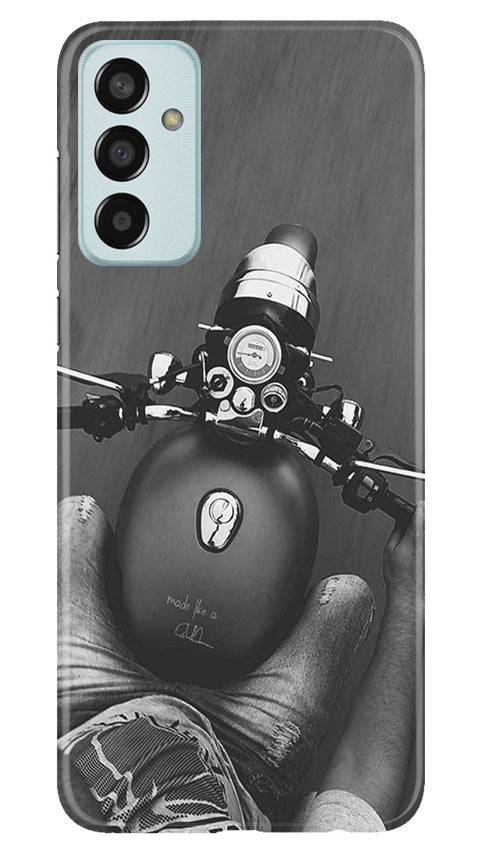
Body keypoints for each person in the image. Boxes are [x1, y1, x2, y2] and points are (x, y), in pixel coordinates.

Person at [57, 495, 424, 833]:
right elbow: (358, 788)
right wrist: (412, 596)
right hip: (240, 760)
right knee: (347, 597)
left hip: (88, 714)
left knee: (77, 517)